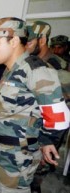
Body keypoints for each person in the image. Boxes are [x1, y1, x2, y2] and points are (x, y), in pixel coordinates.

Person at [0, 17, 70, 193]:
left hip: (19, 158)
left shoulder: (35, 70)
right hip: (2, 152)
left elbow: (59, 117)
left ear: (13, 41)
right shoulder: (11, 70)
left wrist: (46, 141)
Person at [25, 21, 70, 193]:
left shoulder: (57, 68)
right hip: (29, 135)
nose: (26, 45)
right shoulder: (31, 63)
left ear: (41, 40)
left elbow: (61, 115)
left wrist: (48, 144)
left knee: (34, 182)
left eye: (30, 41)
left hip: (44, 139)